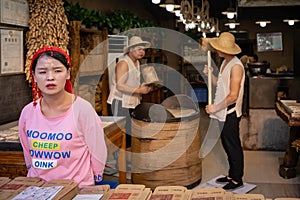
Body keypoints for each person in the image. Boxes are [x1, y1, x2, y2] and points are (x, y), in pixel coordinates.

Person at [18, 46, 107, 187]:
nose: (50, 77)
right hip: (38, 188)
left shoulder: (83, 110)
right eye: (42, 72)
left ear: (68, 74)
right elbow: (27, 152)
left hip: (76, 188)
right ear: (34, 76)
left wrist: (95, 180)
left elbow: (97, 151)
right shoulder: (28, 112)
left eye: (58, 71)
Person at [203, 32, 245, 190]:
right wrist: (211, 75)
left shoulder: (236, 67)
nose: (216, 49)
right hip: (222, 111)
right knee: (226, 145)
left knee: (233, 145)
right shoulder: (225, 62)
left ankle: (237, 179)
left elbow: (233, 96)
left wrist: (214, 107)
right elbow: (219, 85)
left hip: (230, 112)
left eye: (219, 47)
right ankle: (231, 174)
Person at [107, 36, 152, 148]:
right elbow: (120, 85)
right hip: (119, 102)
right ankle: (119, 162)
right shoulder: (123, 63)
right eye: (139, 49)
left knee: (129, 133)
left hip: (130, 102)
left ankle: (125, 160)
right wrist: (139, 90)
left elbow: (133, 82)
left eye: (143, 50)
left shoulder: (136, 63)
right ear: (131, 49)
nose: (142, 52)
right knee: (120, 133)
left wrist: (142, 87)